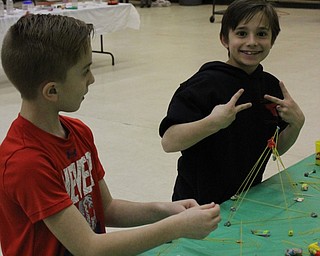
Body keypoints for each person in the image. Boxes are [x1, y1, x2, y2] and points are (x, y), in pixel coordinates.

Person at [0, 14, 221, 256]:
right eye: (85, 71)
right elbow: (89, 247)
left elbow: (106, 208)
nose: (92, 79)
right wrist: (174, 228)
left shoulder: (78, 132)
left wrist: (165, 210)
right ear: (51, 90)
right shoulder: (25, 162)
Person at [159, 0, 305, 205]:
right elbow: (169, 141)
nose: (252, 42)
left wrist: (296, 124)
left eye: (262, 34)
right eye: (242, 33)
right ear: (224, 39)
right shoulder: (204, 84)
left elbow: (275, 148)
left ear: (272, 40)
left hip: (246, 201)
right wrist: (213, 122)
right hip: (196, 203)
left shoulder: (270, 86)